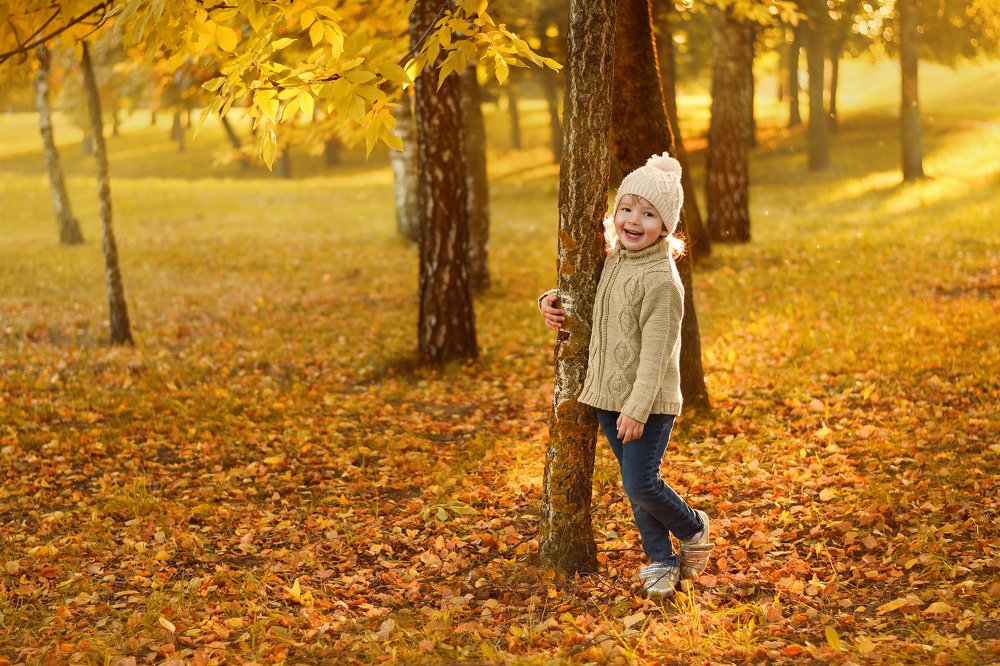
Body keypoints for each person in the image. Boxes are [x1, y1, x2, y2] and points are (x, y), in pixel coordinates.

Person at [538, 153, 713, 598]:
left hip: (647, 404)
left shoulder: (662, 281)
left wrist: (636, 411)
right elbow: (584, 292)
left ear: (666, 227)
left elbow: (656, 357)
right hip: (607, 397)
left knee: (640, 482)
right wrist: (551, 299)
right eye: (627, 208)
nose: (634, 220)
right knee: (635, 488)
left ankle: (693, 529)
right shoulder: (614, 259)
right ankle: (660, 561)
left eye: (649, 214)